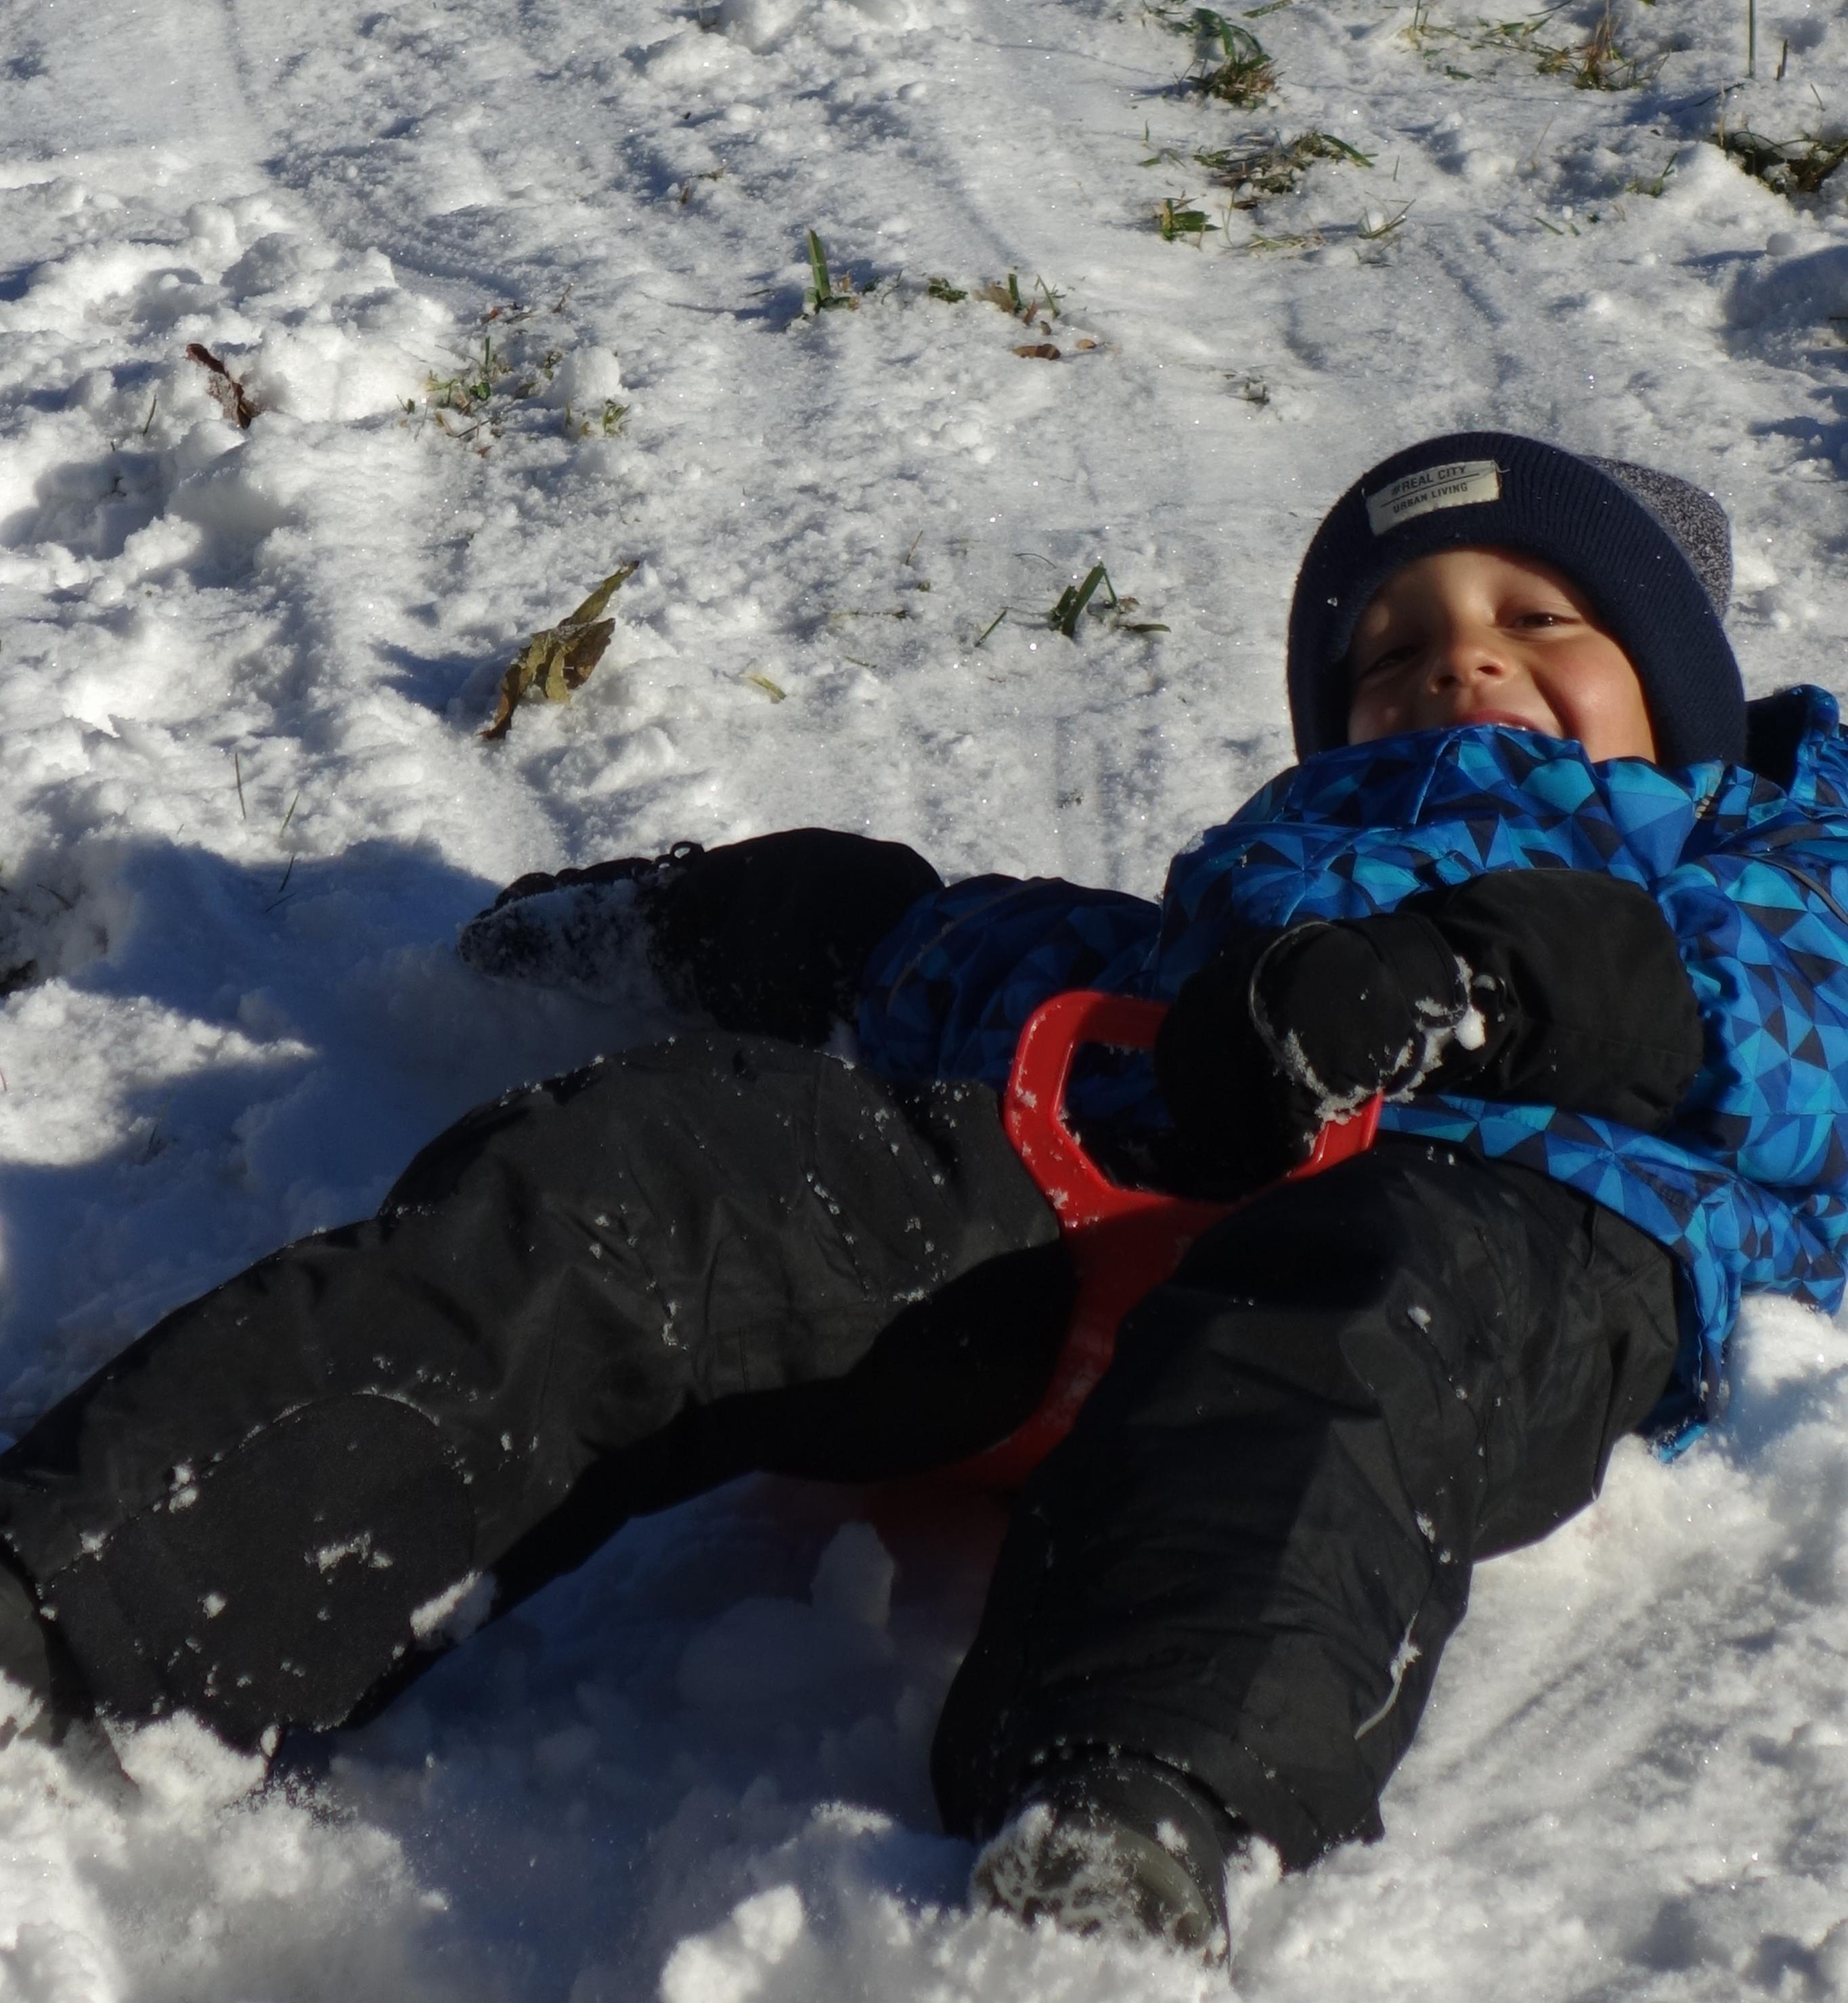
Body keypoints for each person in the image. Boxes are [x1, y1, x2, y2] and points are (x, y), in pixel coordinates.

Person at [0, 428, 1843, 1966]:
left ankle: (1115, 1851)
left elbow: (1792, 1030)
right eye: (1391, 644)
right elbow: (959, 956)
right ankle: (87, 1599)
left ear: (1680, 700)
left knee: (1346, 1328)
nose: (1455, 660)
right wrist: (745, 921)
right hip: (1126, 1199)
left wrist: (1494, 976)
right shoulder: (1228, 916)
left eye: (1542, 619)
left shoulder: (1754, 873)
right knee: (663, 1177)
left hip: (1504, 1242)